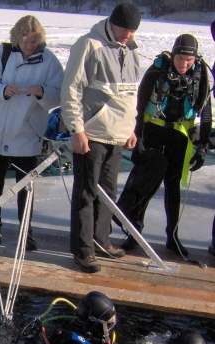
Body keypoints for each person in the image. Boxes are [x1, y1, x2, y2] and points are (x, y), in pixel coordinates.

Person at [60, 3, 142, 273]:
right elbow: (71, 89)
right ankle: (83, 250)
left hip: (117, 134)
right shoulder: (88, 45)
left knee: (107, 193)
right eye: (125, 29)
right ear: (112, 22)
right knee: (86, 191)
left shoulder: (131, 50)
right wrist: (77, 129)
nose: (128, 35)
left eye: (132, 30)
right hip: (92, 133)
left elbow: (129, 95)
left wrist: (130, 128)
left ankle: (101, 241)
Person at [116, 34, 211, 257]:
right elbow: (138, 105)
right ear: (173, 54)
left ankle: (172, 235)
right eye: (180, 58)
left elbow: (206, 114)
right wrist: (136, 137)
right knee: (146, 183)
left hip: (180, 135)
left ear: (195, 59)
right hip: (154, 130)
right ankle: (134, 231)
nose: (183, 64)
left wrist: (203, 147)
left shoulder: (201, 76)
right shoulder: (157, 71)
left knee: (173, 186)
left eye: (188, 60)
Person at [0, 15, 63, 249]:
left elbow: (59, 92)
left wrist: (43, 91)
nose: (29, 46)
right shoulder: (2, 53)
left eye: (33, 42)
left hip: (28, 129)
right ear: (17, 37)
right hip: (0, 127)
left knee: (26, 183)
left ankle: (26, 231)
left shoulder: (49, 60)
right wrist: (3, 90)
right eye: (25, 41)